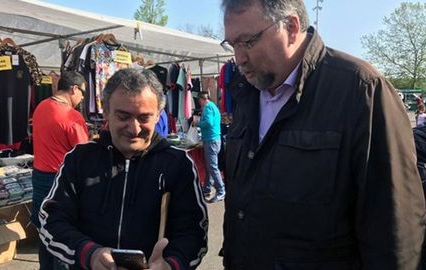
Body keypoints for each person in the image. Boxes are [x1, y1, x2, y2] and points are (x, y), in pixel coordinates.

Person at [220, 0, 426, 269]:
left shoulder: (361, 91)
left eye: (248, 41)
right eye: (232, 44)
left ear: (292, 27)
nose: (239, 58)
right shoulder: (246, 93)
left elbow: (395, 231)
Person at [39, 68, 208, 270]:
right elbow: (52, 220)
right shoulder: (80, 159)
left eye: (144, 118)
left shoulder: (177, 164)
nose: (134, 128)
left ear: (158, 116)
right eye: (123, 116)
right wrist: (89, 254)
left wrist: (171, 265)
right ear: (106, 112)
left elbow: (193, 232)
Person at [31, 70, 89, 269]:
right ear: (74, 88)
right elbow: (84, 155)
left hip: (38, 177)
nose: (82, 98)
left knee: (44, 230)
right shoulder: (72, 116)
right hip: (60, 181)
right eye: (82, 92)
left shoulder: (41, 107)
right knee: (63, 234)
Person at [193, 91, 225, 203]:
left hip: (211, 140)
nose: (199, 103)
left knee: (212, 167)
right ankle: (207, 188)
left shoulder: (208, 107)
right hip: (213, 139)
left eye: (199, 101)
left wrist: (197, 123)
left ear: (202, 99)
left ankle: (221, 191)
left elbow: (209, 123)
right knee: (209, 166)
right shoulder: (213, 106)